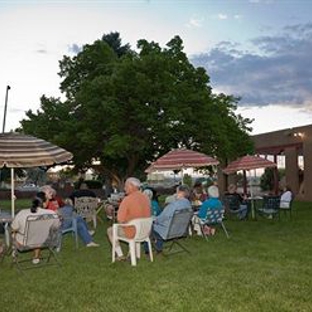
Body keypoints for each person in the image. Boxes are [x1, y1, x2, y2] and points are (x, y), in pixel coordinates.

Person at [107, 177, 151, 261]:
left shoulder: (127, 199)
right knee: (130, 226)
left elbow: (120, 219)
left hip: (133, 232)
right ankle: (134, 253)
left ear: (131, 186)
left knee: (110, 230)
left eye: (126, 186)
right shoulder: (146, 198)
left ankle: (120, 255)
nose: (124, 188)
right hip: (145, 231)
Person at [11, 192, 59, 264]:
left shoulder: (22, 213)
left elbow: (13, 228)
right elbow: (56, 226)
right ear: (44, 203)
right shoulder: (51, 213)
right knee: (39, 233)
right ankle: (36, 257)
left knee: (12, 231)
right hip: (45, 241)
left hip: (24, 243)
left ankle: (14, 250)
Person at [151, 184, 192, 253]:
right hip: (181, 230)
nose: (175, 194)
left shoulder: (173, 205)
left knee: (150, 226)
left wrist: (153, 220)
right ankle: (157, 247)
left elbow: (162, 218)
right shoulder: (188, 204)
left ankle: (152, 249)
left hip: (168, 231)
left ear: (181, 193)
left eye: (177, 192)